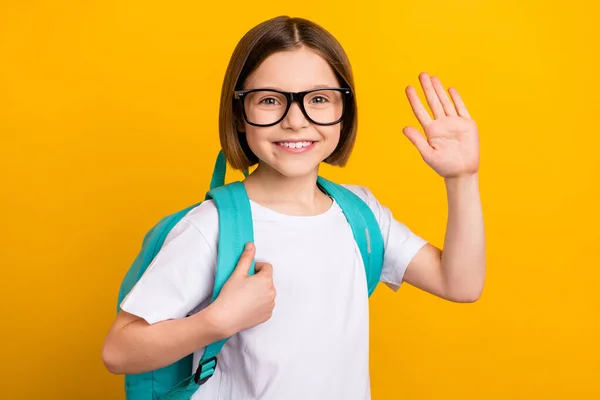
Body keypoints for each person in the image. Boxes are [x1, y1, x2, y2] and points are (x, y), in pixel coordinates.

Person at [102, 15, 486, 400]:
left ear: (344, 109)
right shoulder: (212, 227)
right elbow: (118, 351)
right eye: (270, 100)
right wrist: (216, 322)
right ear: (239, 113)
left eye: (318, 99)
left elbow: (461, 284)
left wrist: (462, 179)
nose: (296, 120)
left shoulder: (360, 215)